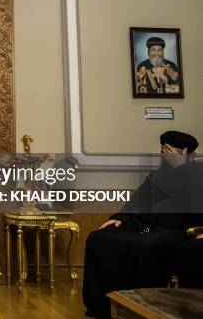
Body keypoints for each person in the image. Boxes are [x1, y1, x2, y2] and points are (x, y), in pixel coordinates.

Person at [83, 130, 203, 318]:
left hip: (178, 229)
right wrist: (120, 217)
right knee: (98, 238)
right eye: (165, 151)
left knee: (147, 245)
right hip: (145, 224)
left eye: (174, 152)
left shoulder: (198, 174)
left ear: (188, 154)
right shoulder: (157, 175)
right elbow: (138, 200)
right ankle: (103, 305)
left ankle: (141, 305)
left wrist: (181, 170)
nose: (168, 157)